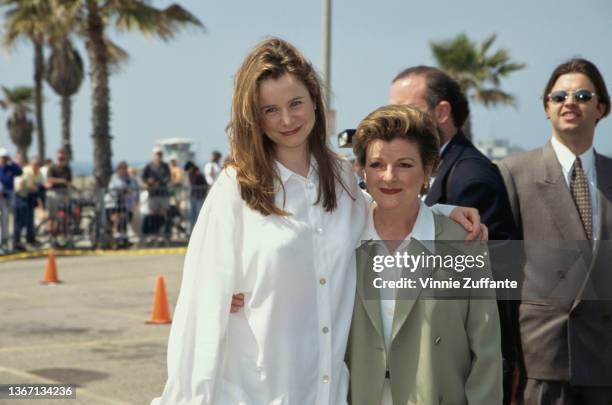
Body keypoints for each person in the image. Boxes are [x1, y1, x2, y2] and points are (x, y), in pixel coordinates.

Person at [153, 38, 483, 405]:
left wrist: (442, 212)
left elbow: (382, 214)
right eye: (270, 110)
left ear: (314, 99)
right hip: (255, 393)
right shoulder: (235, 190)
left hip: (327, 392)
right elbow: (199, 314)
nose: (287, 119)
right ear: (254, 116)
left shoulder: (341, 177)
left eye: (296, 103)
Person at [346, 104, 502, 405]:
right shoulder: (344, 237)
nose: (389, 177)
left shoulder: (461, 242)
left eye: (405, 164)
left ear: (428, 169)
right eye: (377, 164)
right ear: (362, 169)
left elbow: (486, 349)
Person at [390, 66, 519, 402]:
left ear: (442, 112)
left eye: (407, 110)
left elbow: (479, 277)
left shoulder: (469, 177)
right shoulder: (442, 168)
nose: (398, 120)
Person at [498, 58, 612, 405]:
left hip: (605, 358)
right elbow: (503, 270)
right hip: (541, 358)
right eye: (559, 96)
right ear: (546, 107)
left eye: (581, 95)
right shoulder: (512, 172)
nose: (569, 103)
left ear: (601, 108)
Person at [104, 161, 139, 247]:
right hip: (112, 204)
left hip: (122, 204)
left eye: (125, 168)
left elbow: (131, 190)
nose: (123, 170)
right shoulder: (114, 178)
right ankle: (115, 240)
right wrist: (122, 191)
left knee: (123, 219)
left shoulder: (128, 179)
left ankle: (123, 239)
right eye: (121, 168)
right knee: (115, 220)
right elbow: (112, 190)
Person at [13, 157, 44, 251]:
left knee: (30, 220)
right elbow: (20, 186)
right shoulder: (26, 172)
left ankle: (30, 239)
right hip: (21, 197)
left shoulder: (38, 173)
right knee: (20, 221)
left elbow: (40, 183)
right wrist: (31, 187)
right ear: (31, 165)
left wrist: (35, 187)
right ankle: (16, 243)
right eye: (35, 165)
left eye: (38, 165)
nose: (36, 167)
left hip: (30, 198)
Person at [0, 148, 22, 251]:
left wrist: (12, 161)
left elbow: (20, 171)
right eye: (2, 157)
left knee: (11, 219)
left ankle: (12, 243)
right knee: (4, 218)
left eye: (5, 157)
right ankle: (3, 242)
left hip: (10, 194)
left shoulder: (11, 167)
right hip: (1, 196)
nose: (3, 159)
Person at [184, 161, 207, 229]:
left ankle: (199, 229)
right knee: (193, 214)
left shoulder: (198, 174)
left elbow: (204, 184)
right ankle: (192, 229)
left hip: (199, 197)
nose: (188, 171)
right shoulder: (192, 174)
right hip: (194, 196)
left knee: (198, 214)